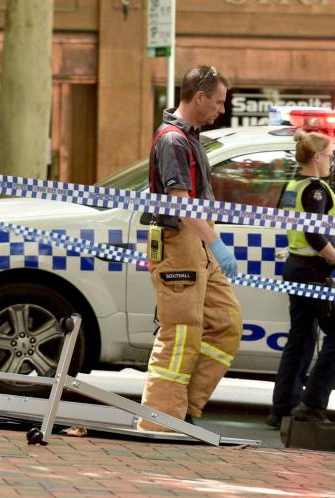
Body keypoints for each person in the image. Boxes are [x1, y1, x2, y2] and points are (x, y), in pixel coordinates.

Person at [138, 66, 242, 431]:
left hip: (198, 242)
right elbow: (181, 203)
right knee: (180, 333)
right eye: (218, 102)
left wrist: (210, 242)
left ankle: (186, 412)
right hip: (181, 242)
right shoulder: (173, 141)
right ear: (199, 97)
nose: (222, 110)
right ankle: (159, 424)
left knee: (225, 324)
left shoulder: (189, 137)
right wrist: (215, 242)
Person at [266, 131, 335, 428]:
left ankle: (283, 408)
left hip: (297, 267)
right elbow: (314, 235)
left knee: (301, 338)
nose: (332, 162)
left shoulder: (294, 186)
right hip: (312, 272)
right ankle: (313, 404)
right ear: (317, 157)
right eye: (330, 156)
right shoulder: (315, 191)